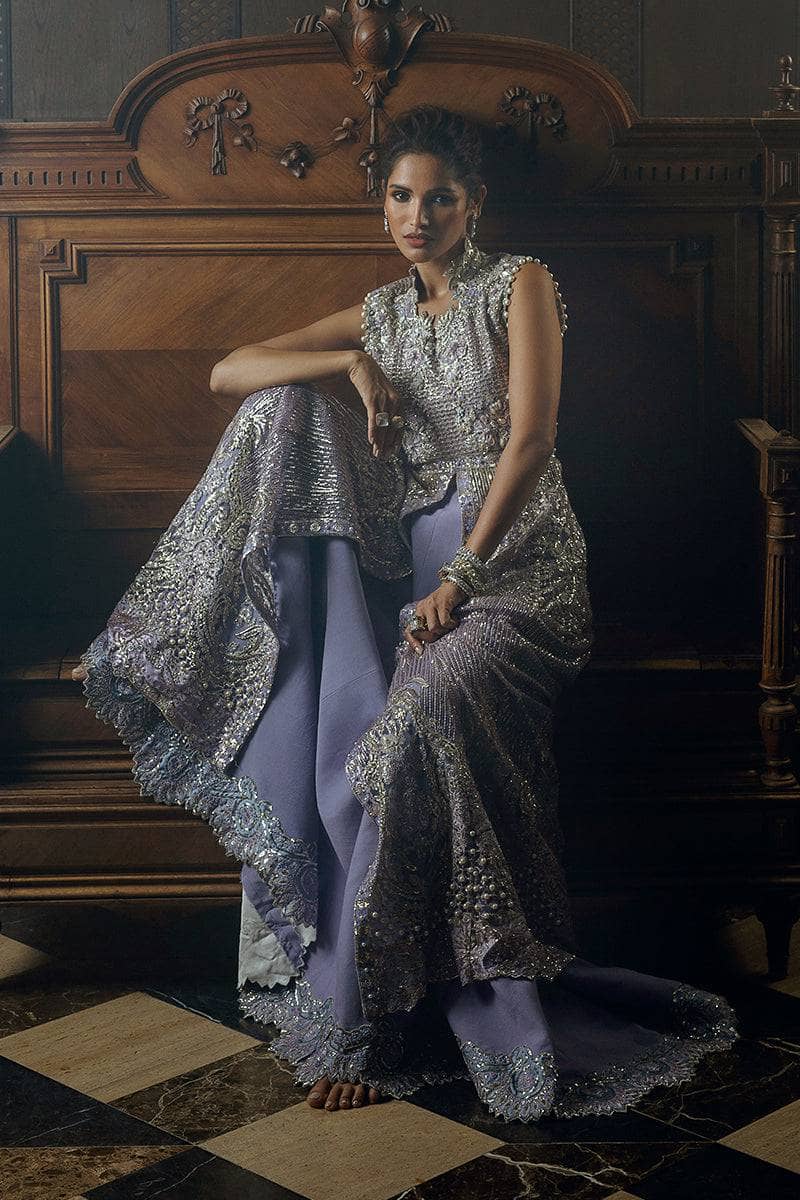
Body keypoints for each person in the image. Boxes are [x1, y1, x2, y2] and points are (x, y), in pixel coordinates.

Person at [73, 104, 739, 1121]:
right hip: (410, 577)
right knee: (276, 410)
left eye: (438, 198)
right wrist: (346, 363)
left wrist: (460, 581)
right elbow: (228, 370)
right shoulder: (379, 313)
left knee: (409, 729)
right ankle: (168, 644)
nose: (416, 216)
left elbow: (532, 439)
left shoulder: (517, 285)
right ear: (381, 205)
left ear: (474, 205)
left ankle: (371, 1021)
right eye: (398, 196)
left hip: (514, 572)